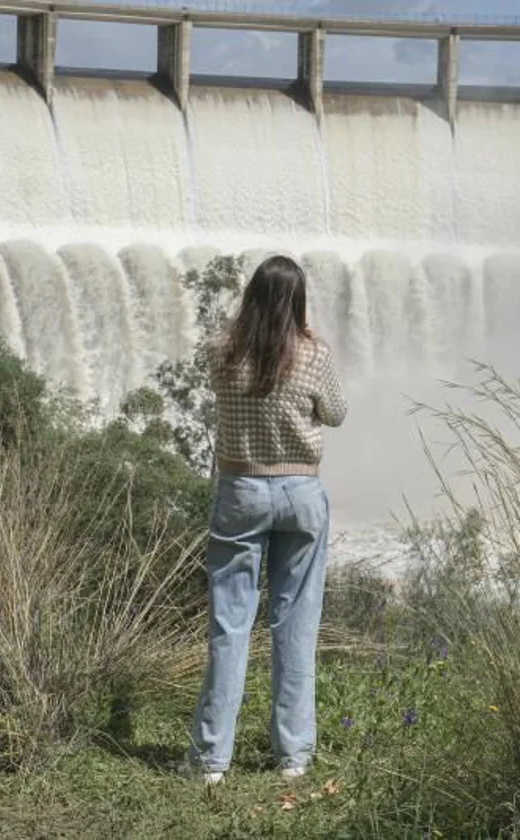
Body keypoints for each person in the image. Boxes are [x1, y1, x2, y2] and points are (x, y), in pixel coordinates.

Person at [183, 254, 348, 784]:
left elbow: (224, 379)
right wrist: (309, 345)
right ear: (298, 301)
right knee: (295, 625)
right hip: (301, 491)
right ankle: (293, 758)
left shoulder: (221, 348)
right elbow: (337, 414)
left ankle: (211, 761)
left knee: (230, 625)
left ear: (252, 295)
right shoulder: (314, 354)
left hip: (241, 489)